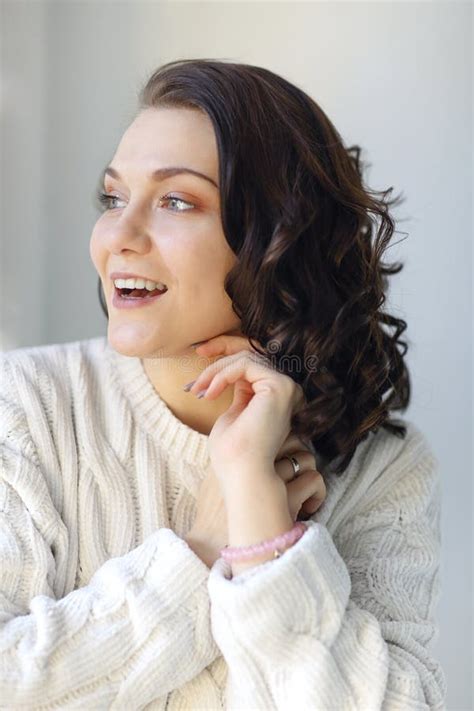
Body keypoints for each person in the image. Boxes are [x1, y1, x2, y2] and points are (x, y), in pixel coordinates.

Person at [0, 58, 447, 709]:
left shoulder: (382, 468)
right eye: (113, 197)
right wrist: (202, 550)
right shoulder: (27, 406)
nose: (116, 237)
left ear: (278, 237)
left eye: (177, 200)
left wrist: (262, 524)